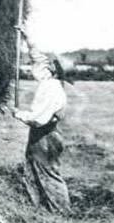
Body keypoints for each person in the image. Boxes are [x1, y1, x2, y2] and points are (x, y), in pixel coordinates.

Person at [12, 28, 71, 213]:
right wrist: (28, 39)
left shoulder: (50, 88)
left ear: (51, 70)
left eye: (45, 64)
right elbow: (39, 58)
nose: (36, 66)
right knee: (34, 171)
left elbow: (38, 120)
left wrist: (18, 114)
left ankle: (61, 213)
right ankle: (41, 211)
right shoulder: (50, 82)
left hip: (45, 137)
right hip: (43, 136)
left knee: (48, 175)